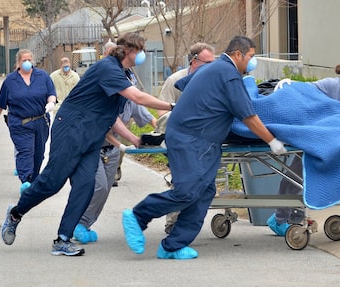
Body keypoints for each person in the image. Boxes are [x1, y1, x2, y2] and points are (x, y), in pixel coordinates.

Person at [0, 32, 174, 256]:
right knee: (53, 182)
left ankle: (62, 239)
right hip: (71, 128)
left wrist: (135, 140)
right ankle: (15, 214)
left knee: (86, 185)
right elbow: (138, 98)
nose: (144, 55)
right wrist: (171, 106)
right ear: (131, 51)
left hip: (92, 135)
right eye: (142, 50)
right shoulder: (108, 68)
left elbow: (110, 115)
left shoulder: (124, 73)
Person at [121, 36, 287, 260]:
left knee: (205, 190)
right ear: (238, 54)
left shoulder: (216, 69)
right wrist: (272, 141)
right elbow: (248, 116)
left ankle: (173, 245)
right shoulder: (228, 74)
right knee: (187, 191)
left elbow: (190, 86)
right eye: (250, 56)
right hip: (191, 138)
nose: (252, 61)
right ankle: (138, 215)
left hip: (202, 140)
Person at [267, 55, 340, 236]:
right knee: (296, 174)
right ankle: (279, 218)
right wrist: (289, 84)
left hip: (339, 140)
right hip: (314, 135)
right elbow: (305, 90)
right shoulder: (331, 85)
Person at [73, 69, 157, 244]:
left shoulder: (130, 102)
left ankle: (85, 225)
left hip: (111, 152)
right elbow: (103, 128)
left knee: (105, 190)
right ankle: (78, 223)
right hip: (92, 147)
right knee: (100, 186)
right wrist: (122, 145)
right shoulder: (104, 101)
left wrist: (164, 131)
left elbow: (149, 118)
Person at [155, 42, 215, 234]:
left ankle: (188, 223)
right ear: (194, 61)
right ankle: (173, 222)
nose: (211, 67)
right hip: (180, 140)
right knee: (182, 181)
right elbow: (160, 112)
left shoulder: (214, 80)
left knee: (205, 184)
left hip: (206, 140)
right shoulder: (175, 81)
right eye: (207, 63)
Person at [0, 49, 56, 194]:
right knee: (26, 151)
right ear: (18, 63)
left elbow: (51, 93)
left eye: (29, 59)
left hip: (41, 121)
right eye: (24, 60)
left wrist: (51, 103)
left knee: (39, 153)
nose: (27, 62)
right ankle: (26, 181)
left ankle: (33, 182)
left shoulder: (42, 76)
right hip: (20, 123)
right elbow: (1, 102)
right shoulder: (10, 81)